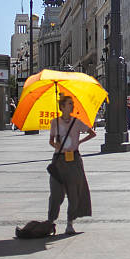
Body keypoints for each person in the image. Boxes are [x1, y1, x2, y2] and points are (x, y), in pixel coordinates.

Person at [47, 94, 95, 235]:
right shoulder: (54, 122)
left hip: (74, 160)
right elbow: (50, 141)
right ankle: (51, 222)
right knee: (56, 194)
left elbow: (92, 133)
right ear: (62, 107)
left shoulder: (77, 122)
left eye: (72, 103)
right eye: (69, 103)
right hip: (59, 159)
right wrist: (56, 144)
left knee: (74, 194)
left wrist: (79, 142)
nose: (72, 106)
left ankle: (70, 223)